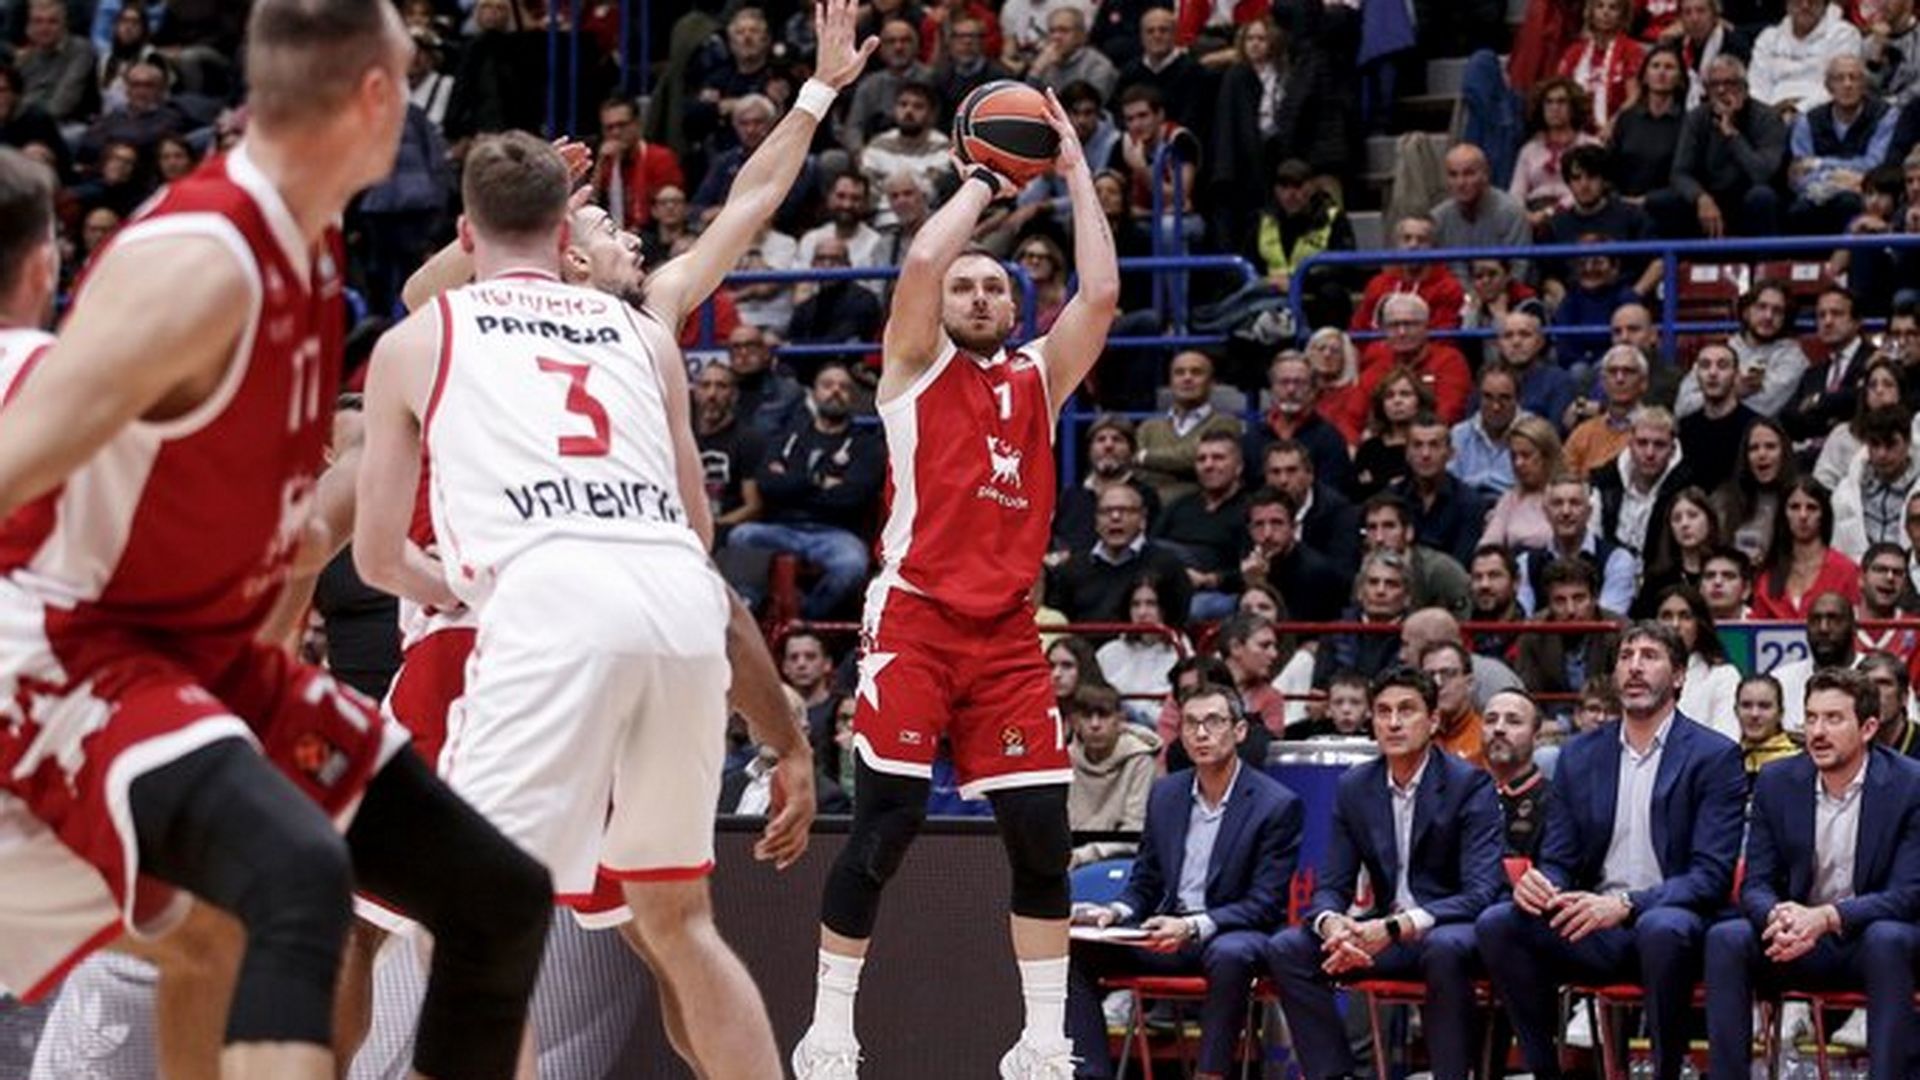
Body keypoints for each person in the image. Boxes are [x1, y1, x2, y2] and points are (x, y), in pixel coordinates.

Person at [0, 5, 555, 1079]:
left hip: (209, 652)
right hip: (78, 651)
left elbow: (243, 501)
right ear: (378, 97)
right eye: (411, 74)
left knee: (496, 896)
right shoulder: (198, 261)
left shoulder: (307, 247)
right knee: (293, 877)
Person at [791, 82, 1118, 1079]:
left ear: (1017, 308)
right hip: (916, 621)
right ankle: (831, 1032)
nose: (978, 295)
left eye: (995, 288)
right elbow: (926, 260)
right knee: (886, 826)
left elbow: (1101, 297)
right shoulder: (912, 368)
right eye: (966, 288)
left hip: (1007, 636)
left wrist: (1076, 173)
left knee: (1041, 839)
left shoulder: (1038, 380)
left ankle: (1043, 1044)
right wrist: (985, 177)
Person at [1478, 621, 1746, 1080]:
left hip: (1677, 921)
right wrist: (1543, 886)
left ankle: (1667, 1072)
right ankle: (1544, 1071)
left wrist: (1625, 904)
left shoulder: (1713, 755)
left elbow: (1710, 876)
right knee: (1499, 922)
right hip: (1595, 923)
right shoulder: (1580, 754)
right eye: (1626, 656)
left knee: (1662, 928)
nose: (1635, 667)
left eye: (1650, 656)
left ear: (1679, 676)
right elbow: (1559, 858)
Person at [1263, 667, 1505, 1080]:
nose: (1393, 723)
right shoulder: (1355, 786)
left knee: (1444, 948)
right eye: (1383, 711)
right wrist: (1331, 922)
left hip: (1448, 928)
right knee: (1289, 948)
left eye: (1406, 710)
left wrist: (1395, 927)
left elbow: (1480, 893)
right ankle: (1335, 1076)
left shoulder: (1469, 784)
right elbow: (1331, 885)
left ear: (1433, 720)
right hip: (1384, 934)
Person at [1067, 683, 1303, 1080]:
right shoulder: (1166, 794)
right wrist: (1116, 911)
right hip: (1166, 932)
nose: (1201, 733)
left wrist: (1192, 926)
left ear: (1239, 731)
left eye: (1213, 722)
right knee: (1076, 949)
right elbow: (1145, 881)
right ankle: (1090, 1074)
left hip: (1232, 933)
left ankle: (1210, 1074)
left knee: (1230, 954)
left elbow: (1265, 904)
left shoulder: (1275, 804)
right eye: (1191, 723)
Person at [1704, 668, 1920, 1080]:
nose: (1817, 732)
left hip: (1868, 938)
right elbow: (1756, 883)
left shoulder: (1910, 785)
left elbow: (1909, 893)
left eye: (1833, 719)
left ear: (1868, 728)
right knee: (1726, 938)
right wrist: (1778, 916)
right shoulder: (1777, 781)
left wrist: (1825, 918)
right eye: (1811, 718)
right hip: (1796, 939)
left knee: (1888, 938)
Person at [726, 363, 888, 619]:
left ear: (853, 398)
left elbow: (853, 497)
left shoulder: (867, 446)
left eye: (844, 387)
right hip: (781, 529)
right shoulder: (788, 438)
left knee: (852, 564)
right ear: (813, 393)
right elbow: (768, 485)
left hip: (835, 534)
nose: (835, 391)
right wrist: (820, 481)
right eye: (827, 385)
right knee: (740, 536)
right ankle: (755, 613)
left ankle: (803, 619)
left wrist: (793, 483)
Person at [1664, 56, 1788, 238]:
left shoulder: (1767, 118)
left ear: (1744, 87)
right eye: (1714, 84)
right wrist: (1700, 197)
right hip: (1711, 197)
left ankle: (1765, 256)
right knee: (1663, 201)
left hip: (1749, 196)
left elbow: (1762, 174)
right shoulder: (1696, 118)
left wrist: (1732, 135)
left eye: (1729, 83)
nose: (1721, 90)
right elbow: (1680, 172)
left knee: (1762, 196)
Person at [1048, 482, 1194, 624]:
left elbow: (1179, 619)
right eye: (1106, 511)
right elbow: (1058, 619)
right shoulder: (1074, 567)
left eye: (1125, 510)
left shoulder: (1167, 564)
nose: (1115, 517)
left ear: (1142, 519)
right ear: (1096, 521)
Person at [1154, 429, 1250, 619]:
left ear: (1239, 467)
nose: (1208, 465)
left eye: (1218, 458)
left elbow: (1254, 569)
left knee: (1194, 609)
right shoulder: (1178, 505)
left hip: (1220, 591)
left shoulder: (1252, 508)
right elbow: (1151, 548)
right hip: (1171, 581)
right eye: (1201, 459)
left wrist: (1209, 580)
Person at [1063, 683, 1160, 869]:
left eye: (1104, 715)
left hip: (1124, 858)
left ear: (1120, 720)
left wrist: (1087, 854)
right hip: (1070, 855)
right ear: (1075, 722)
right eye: (1087, 716)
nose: (1095, 725)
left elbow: (1136, 832)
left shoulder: (1140, 760)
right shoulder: (1066, 760)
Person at [1134, 350, 1244, 503]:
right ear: (1170, 382)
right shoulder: (1149, 427)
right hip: (1153, 509)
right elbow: (1137, 471)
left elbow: (1192, 457)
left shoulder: (1225, 423)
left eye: (1196, 372)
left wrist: (1145, 457)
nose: (1187, 378)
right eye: (1179, 373)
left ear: (1212, 383)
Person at [1751, 477, 1862, 620]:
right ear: (1784, 514)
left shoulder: (1846, 570)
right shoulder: (1767, 574)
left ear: (1824, 515)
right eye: (1794, 507)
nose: (1803, 515)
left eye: (1812, 507)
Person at [1390, 412, 1489, 566]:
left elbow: (1460, 566)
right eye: (1417, 445)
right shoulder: (1391, 499)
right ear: (1407, 453)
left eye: (1434, 445)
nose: (1425, 454)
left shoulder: (1470, 503)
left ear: (1450, 453)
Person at [1515, 557, 1625, 695]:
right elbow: (1527, 691)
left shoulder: (1618, 630)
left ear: (1594, 599)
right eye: (1560, 601)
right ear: (1549, 604)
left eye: (1579, 599)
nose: (1570, 610)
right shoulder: (1533, 632)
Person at [1793, 289, 1877, 468]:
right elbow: (1793, 418)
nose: (1827, 321)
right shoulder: (1812, 373)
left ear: (1857, 322)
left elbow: (1861, 401)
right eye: (1821, 315)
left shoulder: (1875, 361)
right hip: (1813, 463)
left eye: (1836, 314)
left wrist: (1818, 401)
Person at [1830, 404, 1920, 560]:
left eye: (1890, 444)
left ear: (1907, 443)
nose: (1881, 454)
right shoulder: (1845, 493)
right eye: (1875, 444)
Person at [1653, 584, 1742, 739]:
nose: (1675, 625)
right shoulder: (1637, 672)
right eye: (1666, 616)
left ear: (1699, 624)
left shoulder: (1722, 675)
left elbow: (1726, 739)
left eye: (1685, 616)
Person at [1748, 0, 1865, 112]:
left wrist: (1797, 109)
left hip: (1821, 112)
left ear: (1824, 4)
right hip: (1771, 112)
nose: (1805, 5)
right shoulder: (1768, 38)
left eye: (1812, 1)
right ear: (1787, 4)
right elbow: (1756, 87)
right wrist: (1767, 115)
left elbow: (1840, 85)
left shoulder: (1843, 34)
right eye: (1798, 1)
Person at [1773, 592, 1864, 733]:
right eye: (1815, 620)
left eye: (1834, 619)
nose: (1823, 628)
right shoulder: (1781, 681)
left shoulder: (1874, 677)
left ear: (1854, 627)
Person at [1712, 414, 1797, 562]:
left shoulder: (1799, 498)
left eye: (1770, 447)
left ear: (1784, 452)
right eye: (1753, 448)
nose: (1761, 454)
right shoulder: (1725, 500)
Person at [1484, 689, 1553, 861]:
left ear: (1536, 736)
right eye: (1490, 720)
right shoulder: (1463, 795)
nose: (1498, 729)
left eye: (1513, 721)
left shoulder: (1554, 802)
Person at [1563, 345, 1651, 476]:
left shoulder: (1656, 432)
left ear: (1644, 382)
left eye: (1628, 372)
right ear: (1603, 383)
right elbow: (1564, 477)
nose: (1619, 379)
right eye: (1612, 372)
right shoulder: (1583, 433)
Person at [1483, 414, 1563, 551]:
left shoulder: (1570, 497)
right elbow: (1489, 546)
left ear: (1547, 456)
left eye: (1526, 455)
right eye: (1513, 456)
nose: (1518, 463)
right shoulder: (1510, 499)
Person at [1451, 363, 1527, 502]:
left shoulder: (1535, 435)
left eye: (1504, 398)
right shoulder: (1459, 435)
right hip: (1467, 507)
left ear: (1518, 399)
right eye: (1488, 397)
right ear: (1478, 398)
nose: (1496, 406)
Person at [1421, 640, 1489, 765]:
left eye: (1448, 674)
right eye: (1428, 676)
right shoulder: (1415, 736)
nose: (1438, 683)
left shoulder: (1487, 737)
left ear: (1469, 683)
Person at [1736, 673, 1802, 778]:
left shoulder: (1800, 762)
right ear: (1736, 711)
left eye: (1764, 706)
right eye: (1746, 705)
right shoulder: (1726, 761)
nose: (1754, 714)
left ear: (1780, 713)